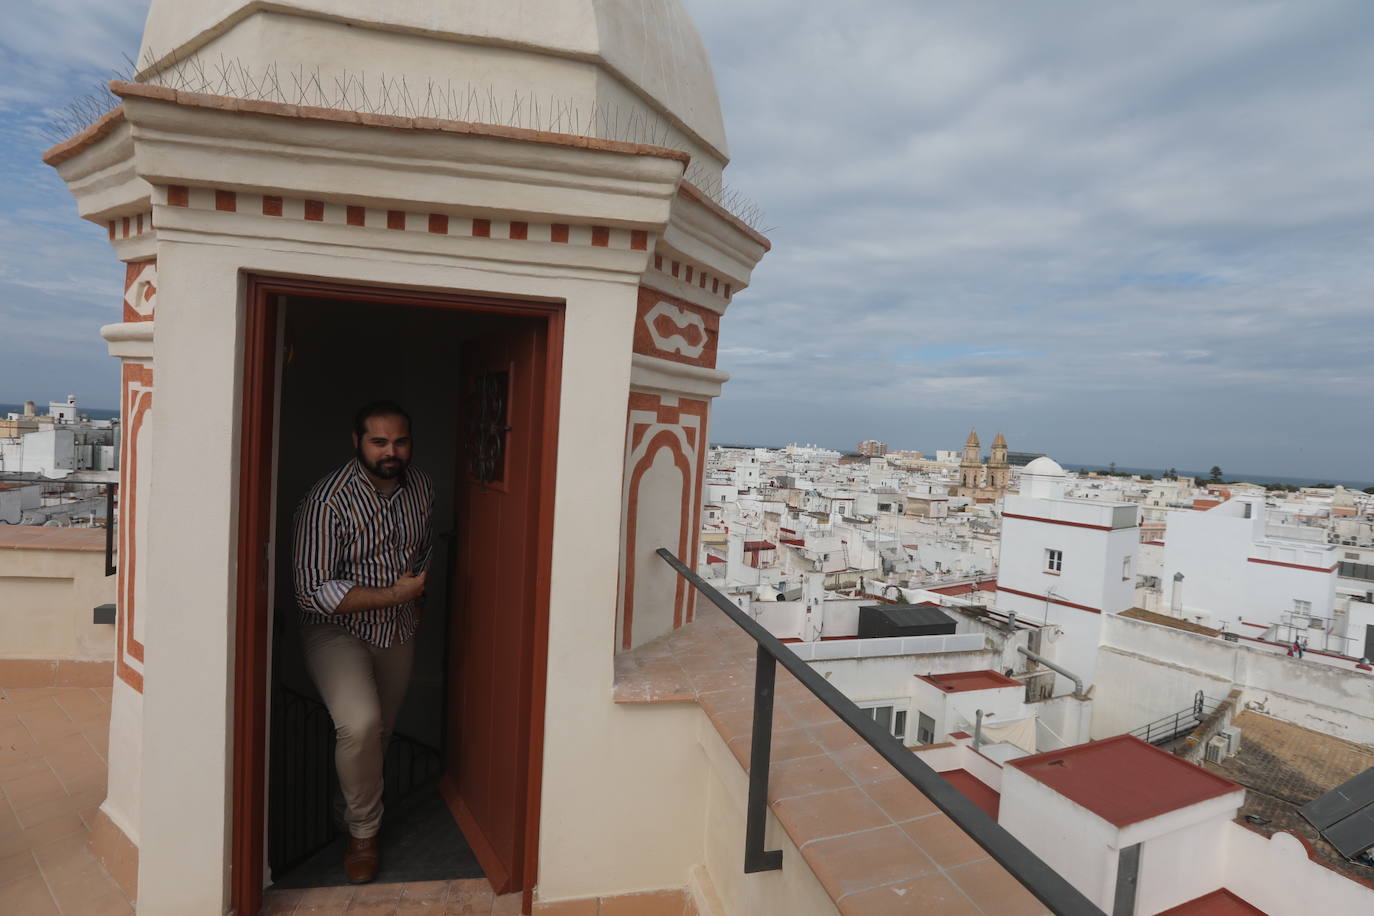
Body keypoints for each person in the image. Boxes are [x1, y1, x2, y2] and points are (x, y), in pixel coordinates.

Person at [293, 400, 434, 884]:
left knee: (381, 735)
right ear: (357, 442)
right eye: (379, 441)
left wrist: (412, 598)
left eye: (400, 441)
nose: (391, 451)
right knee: (360, 724)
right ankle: (363, 833)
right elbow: (312, 590)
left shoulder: (421, 488)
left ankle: (346, 810)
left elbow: (424, 548)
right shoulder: (327, 501)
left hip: (397, 629)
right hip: (337, 631)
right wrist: (395, 593)